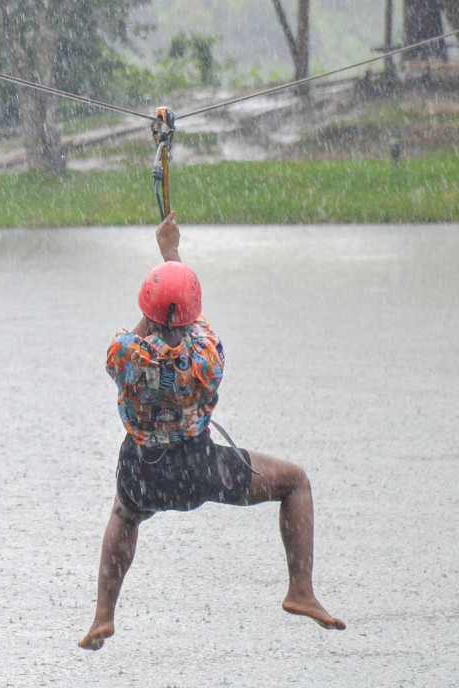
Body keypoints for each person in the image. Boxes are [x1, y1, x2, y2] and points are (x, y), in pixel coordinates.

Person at [79, 212, 345, 651]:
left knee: (124, 517)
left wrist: (159, 278)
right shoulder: (205, 358)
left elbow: (146, 327)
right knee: (295, 481)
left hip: (142, 475)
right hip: (199, 472)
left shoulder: (123, 355)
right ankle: (301, 589)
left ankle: (103, 616)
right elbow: (190, 316)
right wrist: (172, 255)